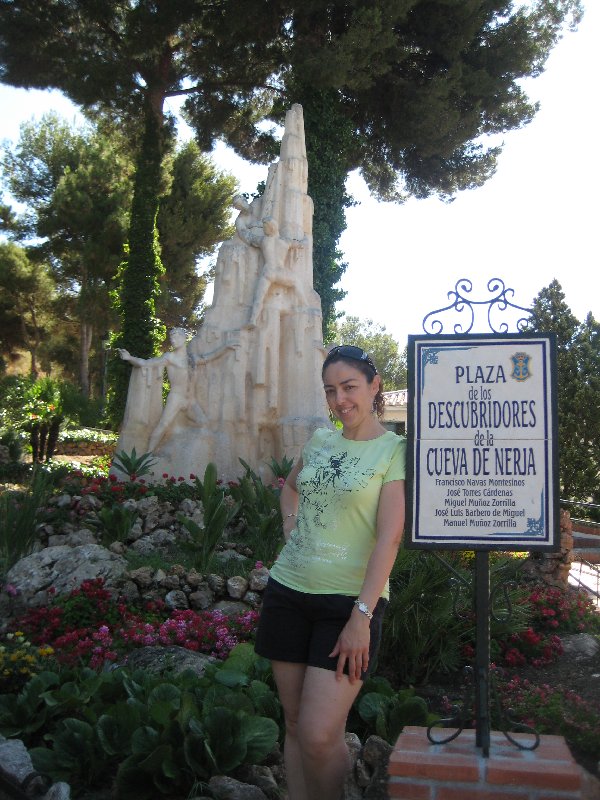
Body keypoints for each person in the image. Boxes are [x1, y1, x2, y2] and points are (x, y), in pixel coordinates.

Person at [254, 344, 406, 800]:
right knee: (296, 724)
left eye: (349, 387)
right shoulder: (320, 441)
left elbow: (389, 538)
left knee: (321, 733)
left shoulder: (394, 450)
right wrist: (291, 531)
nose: (340, 400)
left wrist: (362, 615)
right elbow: (290, 490)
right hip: (288, 592)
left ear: (374, 386)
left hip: (346, 604)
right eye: (330, 391)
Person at [117, 327, 203, 451]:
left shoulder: (192, 358)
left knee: (203, 423)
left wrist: (226, 346)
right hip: (176, 397)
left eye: (176, 336)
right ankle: (148, 455)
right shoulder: (169, 357)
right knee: (163, 425)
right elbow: (146, 363)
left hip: (190, 399)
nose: (173, 340)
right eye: (171, 337)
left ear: (184, 338)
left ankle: (183, 446)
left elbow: (210, 357)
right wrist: (129, 358)